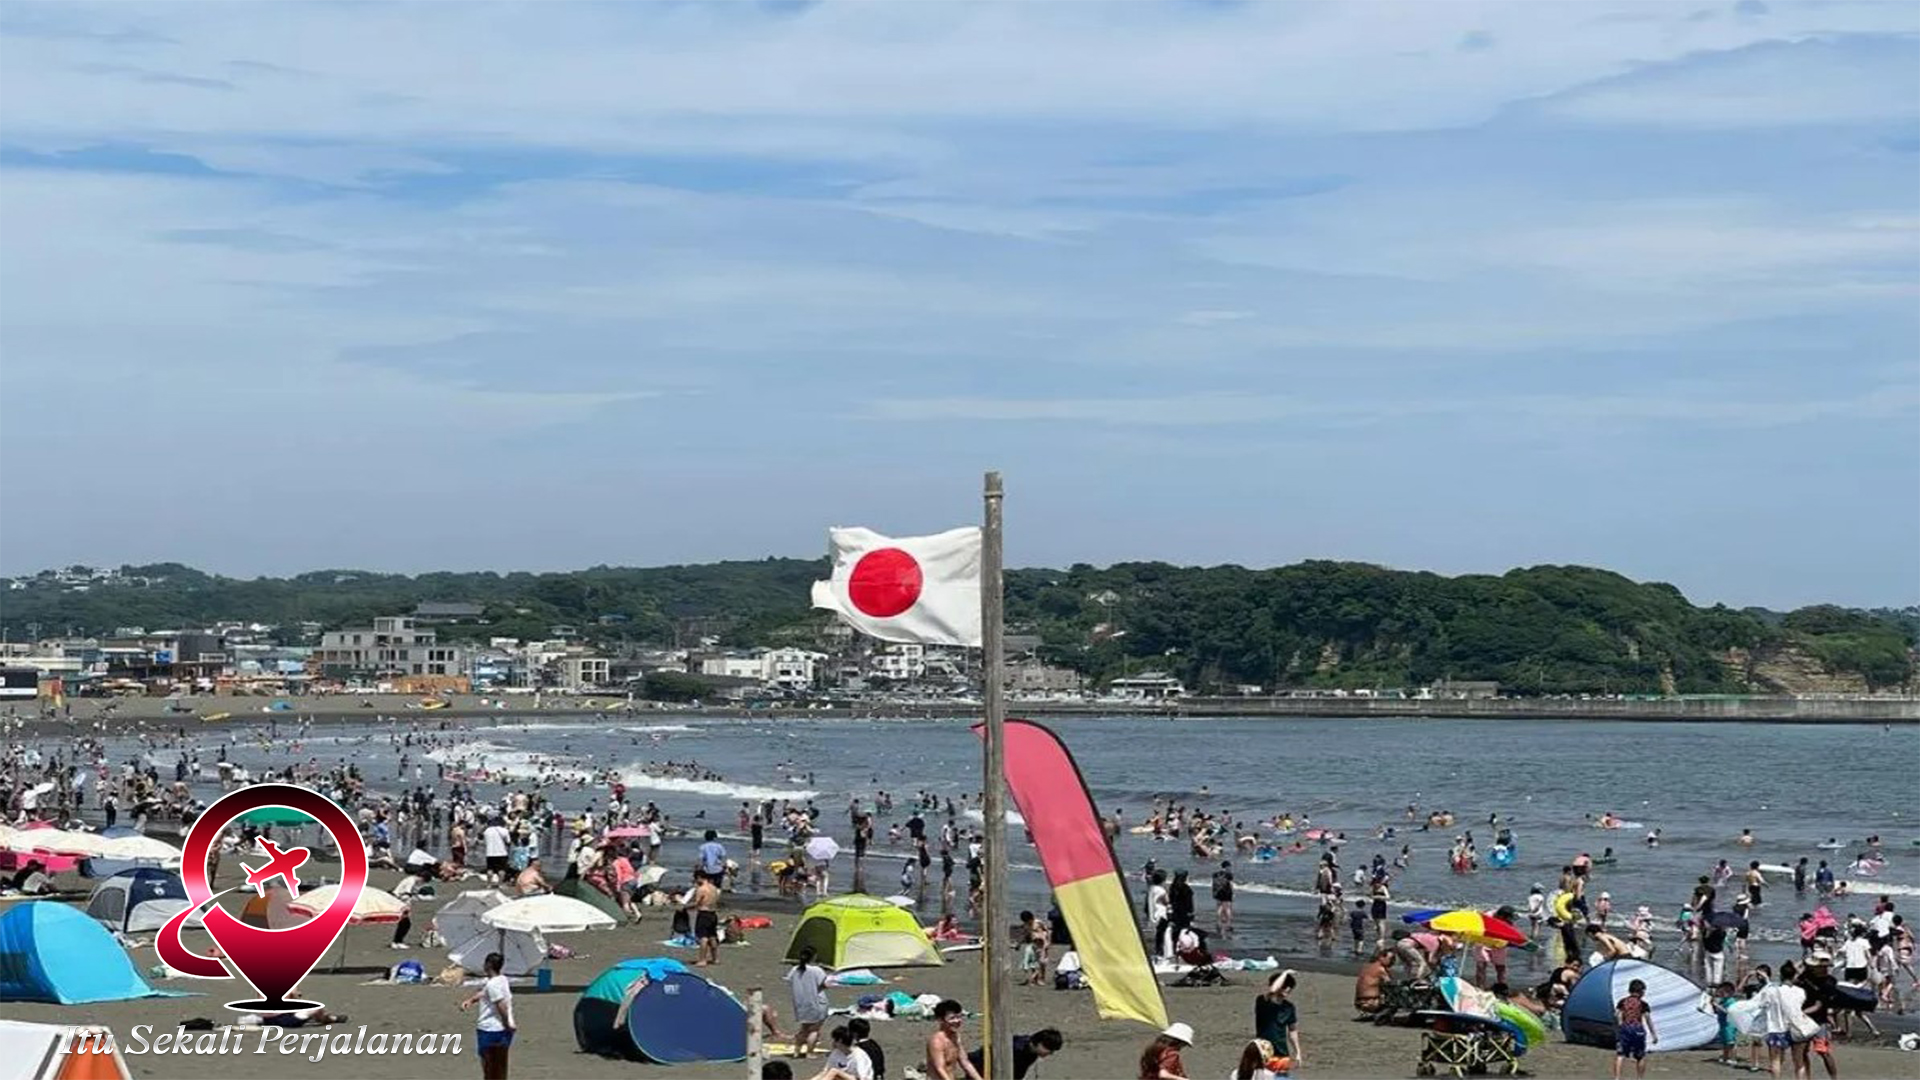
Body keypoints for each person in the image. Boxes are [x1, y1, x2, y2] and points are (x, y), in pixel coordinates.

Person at [459, 952, 514, 1080]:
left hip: (491, 1029)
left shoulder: (493, 984)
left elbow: (501, 1005)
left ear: (488, 965)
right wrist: (471, 1000)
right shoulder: (502, 980)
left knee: (490, 1064)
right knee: (499, 1064)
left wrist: (506, 1024)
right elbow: (484, 993)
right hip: (499, 1029)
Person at [965, 1028, 1062, 1080]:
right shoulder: (1017, 1049)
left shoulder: (1032, 1050)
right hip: (981, 1065)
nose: (1050, 1053)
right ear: (1040, 1043)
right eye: (1050, 1049)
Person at [1254, 970, 1303, 1067]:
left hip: (1281, 1051)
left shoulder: (1289, 1007)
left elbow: (1292, 1030)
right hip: (1263, 1049)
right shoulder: (1263, 1001)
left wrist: (1298, 1051)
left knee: (1281, 1077)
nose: (1287, 989)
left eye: (1290, 986)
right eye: (1284, 985)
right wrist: (1285, 973)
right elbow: (1272, 990)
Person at [788, 946, 830, 1059]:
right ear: (814, 956)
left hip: (801, 1002)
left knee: (804, 1028)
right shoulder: (816, 970)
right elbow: (824, 984)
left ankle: (796, 1051)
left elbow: (790, 980)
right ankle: (810, 1052)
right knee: (814, 1029)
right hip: (817, 1002)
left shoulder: (795, 969)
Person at [1613, 977, 1657, 1080]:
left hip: (1625, 1028)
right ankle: (1639, 1078)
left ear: (1630, 990)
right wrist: (1653, 1034)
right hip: (1638, 1030)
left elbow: (1617, 1015)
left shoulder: (1622, 1001)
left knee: (1620, 1054)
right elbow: (1647, 1019)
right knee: (1640, 1056)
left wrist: (1620, 1025)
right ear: (1641, 992)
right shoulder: (1643, 1004)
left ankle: (1617, 1078)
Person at [925, 1000, 982, 1080]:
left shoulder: (955, 1037)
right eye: (952, 1018)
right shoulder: (937, 1041)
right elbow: (940, 1069)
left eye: (958, 1017)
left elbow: (965, 1063)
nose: (956, 1021)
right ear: (941, 1020)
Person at [688, 871, 722, 967]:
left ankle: (702, 960)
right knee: (712, 936)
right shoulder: (714, 888)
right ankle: (715, 958)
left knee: (703, 937)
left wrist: (686, 907)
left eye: (696, 879)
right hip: (713, 913)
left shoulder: (701, 889)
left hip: (704, 914)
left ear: (699, 878)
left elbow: (697, 903)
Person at [1354, 948, 1394, 1017]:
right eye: (1391, 959)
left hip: (1358, 1002)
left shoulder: (1367, 966)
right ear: (1381, 957)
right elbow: (1391, 984)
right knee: (1394, 995)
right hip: (1370, 1002)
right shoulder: (1380, 970)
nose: (1392, 962)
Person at [1212, 860, 1235, 935]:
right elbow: (1231, 884)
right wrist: (1233, 893)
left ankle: (1218, 922)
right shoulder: (1229, 874)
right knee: (1227, 907)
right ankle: (1228, 923)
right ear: (1227, 866)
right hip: (1227, 892)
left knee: (1219, 907)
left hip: (1218, 891)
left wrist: (1214, 892)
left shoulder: (1215, 874)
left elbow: (1213, 884)